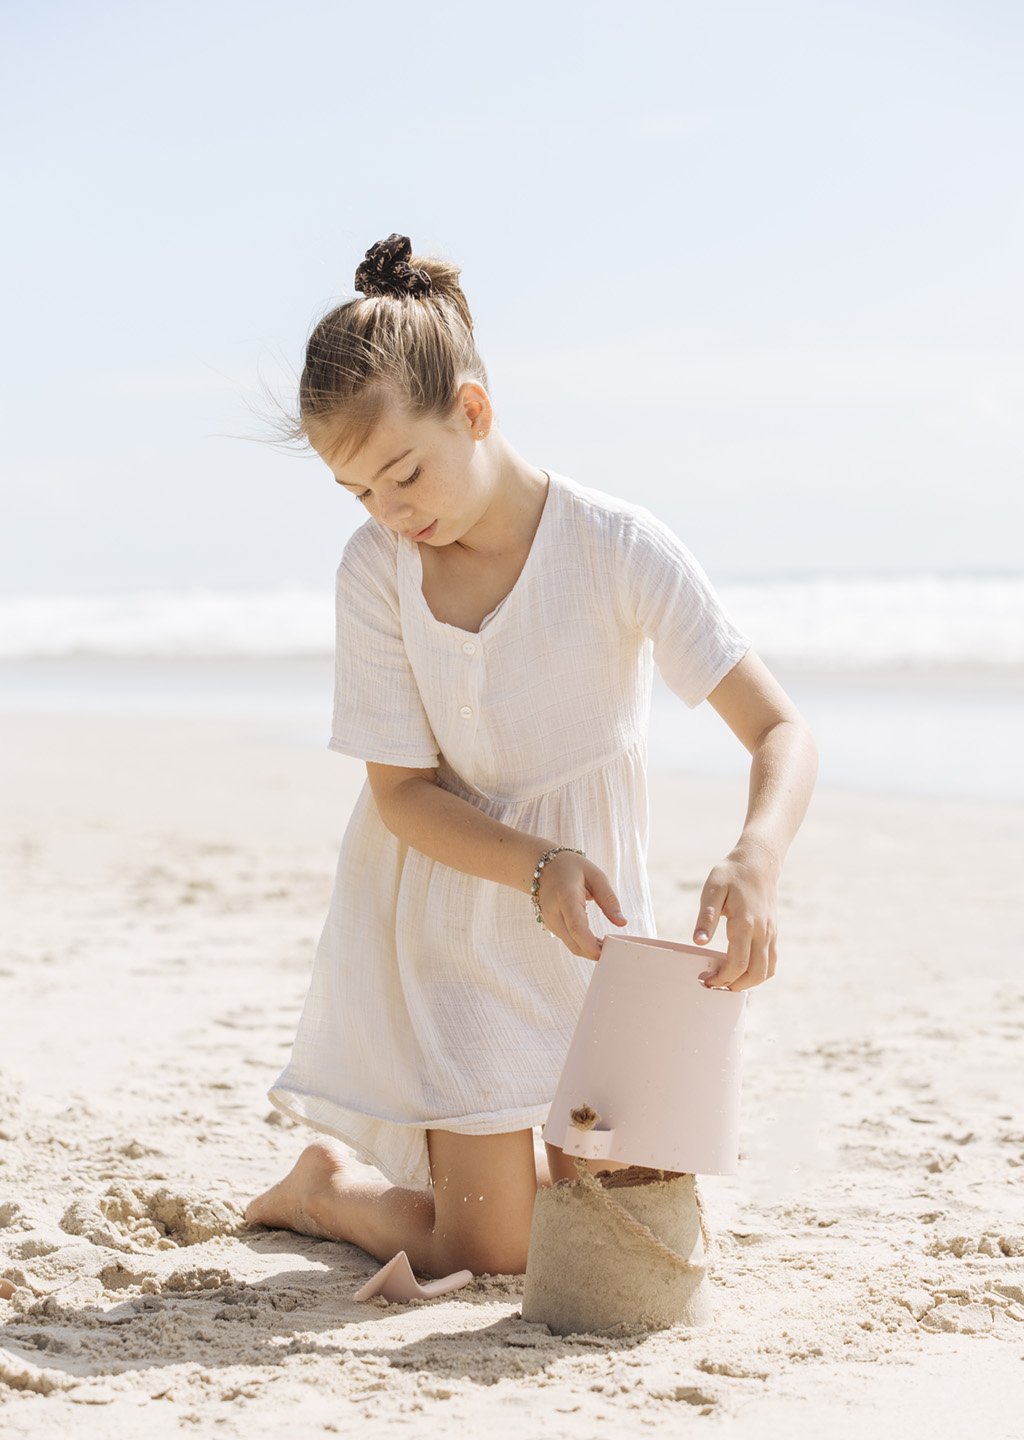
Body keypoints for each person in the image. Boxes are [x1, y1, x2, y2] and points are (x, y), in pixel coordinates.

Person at [244, 233, 818, 1279]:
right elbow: (404, 795)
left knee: (615, 1212)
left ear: (473, 410)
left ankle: (510, 1156)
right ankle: (327, 1188)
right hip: (457, 918)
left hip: (598, 935)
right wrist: (534, 866)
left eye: (404, 473)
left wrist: (757, 855)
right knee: (496, 1250)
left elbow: (781, 730)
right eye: (359, 492)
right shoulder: (379, 571)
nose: (390, 511)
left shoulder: (615, 547)